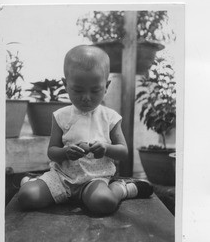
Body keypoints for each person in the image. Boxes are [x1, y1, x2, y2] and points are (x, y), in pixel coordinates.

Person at [18, 45, 153, 215]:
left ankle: (121, 188)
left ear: (106, 86)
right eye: (78, 90)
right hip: (61, 178)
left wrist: (106, 148)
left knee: (104, 203)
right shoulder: (61, 116)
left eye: (95, 90)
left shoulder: (110, 117)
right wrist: (65, 152)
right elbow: (52, 152)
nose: (86, 98)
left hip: (94, 180)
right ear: (65, 84)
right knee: (26, 196)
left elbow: (123, 152)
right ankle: (35, 182)